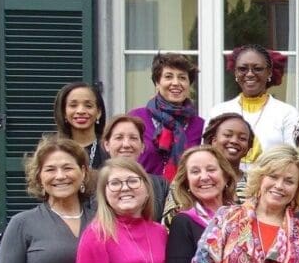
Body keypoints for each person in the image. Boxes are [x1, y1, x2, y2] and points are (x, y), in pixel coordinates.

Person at [211, 44, 299, 161]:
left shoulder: (287, 113)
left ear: (269, 73)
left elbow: (293, 158)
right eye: (243, 69)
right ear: (235, 73)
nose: (249, 74)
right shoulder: (219, 111)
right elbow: (208, 154)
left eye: (257, 69)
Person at [130, 53, 203, 182]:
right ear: (157, 83)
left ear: (189, 85)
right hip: (144, 195)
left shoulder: (200, 125)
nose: (176, 83)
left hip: (184, 198)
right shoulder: (136, 118)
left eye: (182, 78)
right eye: (168, 77)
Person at [103, 114, 169, 213]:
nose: (126, 145)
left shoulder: (160, 186)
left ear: (142, 146)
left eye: (133, 138)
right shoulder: (94, 183)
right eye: (119, 138)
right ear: (107, 145)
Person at [53, 81, 106, 169]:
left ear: (99, 112)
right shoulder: (53, 150)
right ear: (64, 112)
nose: (81, 111)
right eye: (73, 105)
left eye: (88, 106)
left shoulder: (109, 149)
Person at [203, 113, 254, 201]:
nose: (234, 141)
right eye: (227, 135)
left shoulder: (255, 184)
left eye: (242, 138)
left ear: (248, 148)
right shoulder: (193, 179)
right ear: (213, 140)